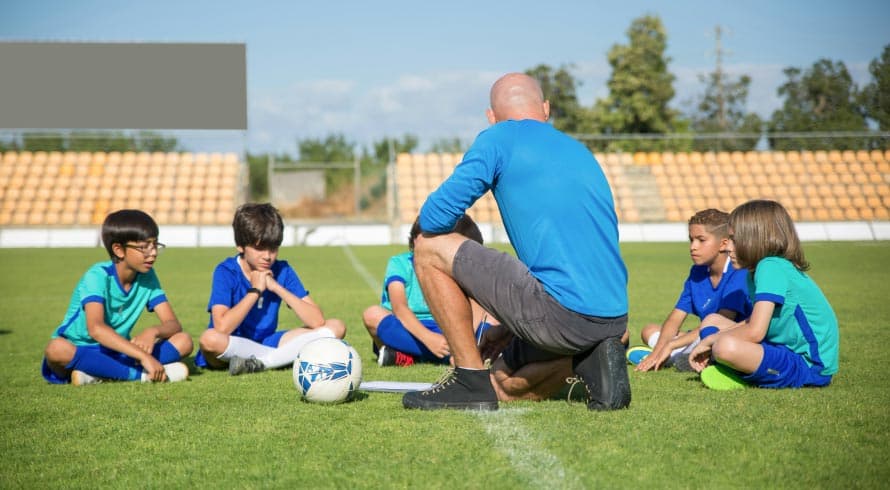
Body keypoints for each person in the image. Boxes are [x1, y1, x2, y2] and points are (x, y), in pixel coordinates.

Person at [402, 72, 630, 411]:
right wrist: (509, 321)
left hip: (561, 314)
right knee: (505, 384)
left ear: (491, 118)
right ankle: (593, 358)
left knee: (428, 247)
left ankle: (468, 380)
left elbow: (434, 219)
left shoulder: (498, 138)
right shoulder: (578, 150)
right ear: (546, 109)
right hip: (612, 318)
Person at [688, 199, 839, 390]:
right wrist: (715, 336)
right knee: (712, 320)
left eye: (734, 239)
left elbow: (755, 332)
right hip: (781, 349)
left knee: (724, 346)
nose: (727, 247)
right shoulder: (757, 270)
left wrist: (709, 341)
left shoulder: (771, 266)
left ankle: (732, 369)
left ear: (755, 239)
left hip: (809, 366)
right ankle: (724, 365)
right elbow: (754, 321)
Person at [42, 209, 193, 385]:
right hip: (81, 348)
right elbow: (96, 329)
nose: (153, 253)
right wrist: (143, 356)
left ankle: (98, 374)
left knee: (184, 341)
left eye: (155, 244)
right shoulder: (97, 276)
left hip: (117, 349)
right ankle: (141, 376)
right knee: (56, 349)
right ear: (119, 250)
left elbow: (173, 324)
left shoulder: (148, 276)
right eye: (144, 247)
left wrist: (153, 331)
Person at [196, 203, 346, 375]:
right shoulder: (225, 271)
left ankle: (263, 362)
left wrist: (276, 287)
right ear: (240, 246)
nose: (267, 256)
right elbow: (222, 327)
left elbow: (317, 321)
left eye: (273, 248)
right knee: (209, 339)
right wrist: (255, 291)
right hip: (231, 343)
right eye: (259, 248)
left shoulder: (282, 270)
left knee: (336, 327)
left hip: (267, 343)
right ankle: (277, 359)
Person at [362, 214, 492, 367]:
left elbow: (476, 304)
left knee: (492, 316)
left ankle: (408, 356)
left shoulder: (452, 265)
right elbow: (400, 308)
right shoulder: (399, 263)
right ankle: (455, 355)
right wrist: (429, 338)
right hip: (407, 329)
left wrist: (465, 340)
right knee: (372, 315)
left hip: (447, 328)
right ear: (416, 240)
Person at [633, 209, 752, 372]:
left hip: (729, 336)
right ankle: (674, 357)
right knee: (649, 330)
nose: (693, 247)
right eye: (691, 240)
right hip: (701, 336)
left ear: (724, 244)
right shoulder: (697, 272)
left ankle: (682, 357)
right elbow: (675, 318)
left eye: (701, 240)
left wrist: (671, 344)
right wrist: (658, 350)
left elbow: (722, 323)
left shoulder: (738, 272)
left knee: (714, 340)